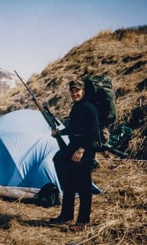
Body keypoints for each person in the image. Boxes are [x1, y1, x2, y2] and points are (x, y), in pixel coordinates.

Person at [49, 75, 99, 232]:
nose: (74, 94)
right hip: (73, 146)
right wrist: (60, 132)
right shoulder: (76, 107)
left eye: (77, 91)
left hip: (85, 149)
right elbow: (73, 128)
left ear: (83, 91)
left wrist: (81, 150)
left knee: (84, 186)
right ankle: (66, 215)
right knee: (67, 178)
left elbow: (93, 133)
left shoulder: (89, 108)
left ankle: (83, 222)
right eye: (72, 91)